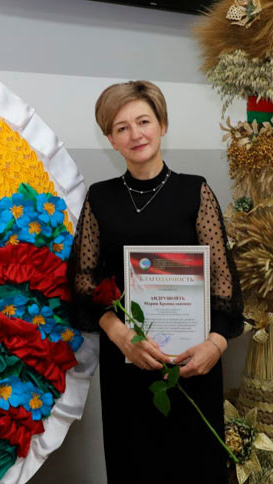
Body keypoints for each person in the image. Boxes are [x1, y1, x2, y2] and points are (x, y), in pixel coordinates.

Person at [68, 81, 243, 483]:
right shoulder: (100, 198)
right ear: (111, 140)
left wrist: (215, 345)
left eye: (144, 121)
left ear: (162, 125)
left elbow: (224, 281)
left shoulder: (195, 191)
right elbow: (83, 283)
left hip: (193, 365)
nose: (136, 134)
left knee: (196, 470)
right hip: (127, 368)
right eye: (122, 127)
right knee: (135, 469)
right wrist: (120, 335)